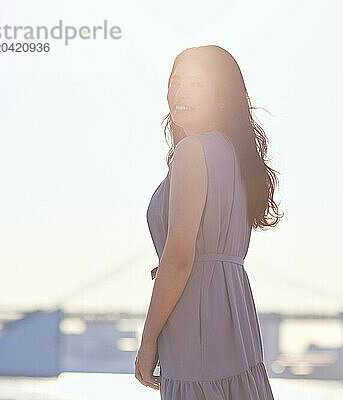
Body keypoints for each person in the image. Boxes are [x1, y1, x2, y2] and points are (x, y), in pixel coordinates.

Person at [135, 45, 283, 399]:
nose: (180, 93)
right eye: (176, 82)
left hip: (194, 319)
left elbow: (178, 257)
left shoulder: (191, 152)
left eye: (196, 84)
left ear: (221, 99)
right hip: (235, 319)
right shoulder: (236, 157)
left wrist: (147, 341)